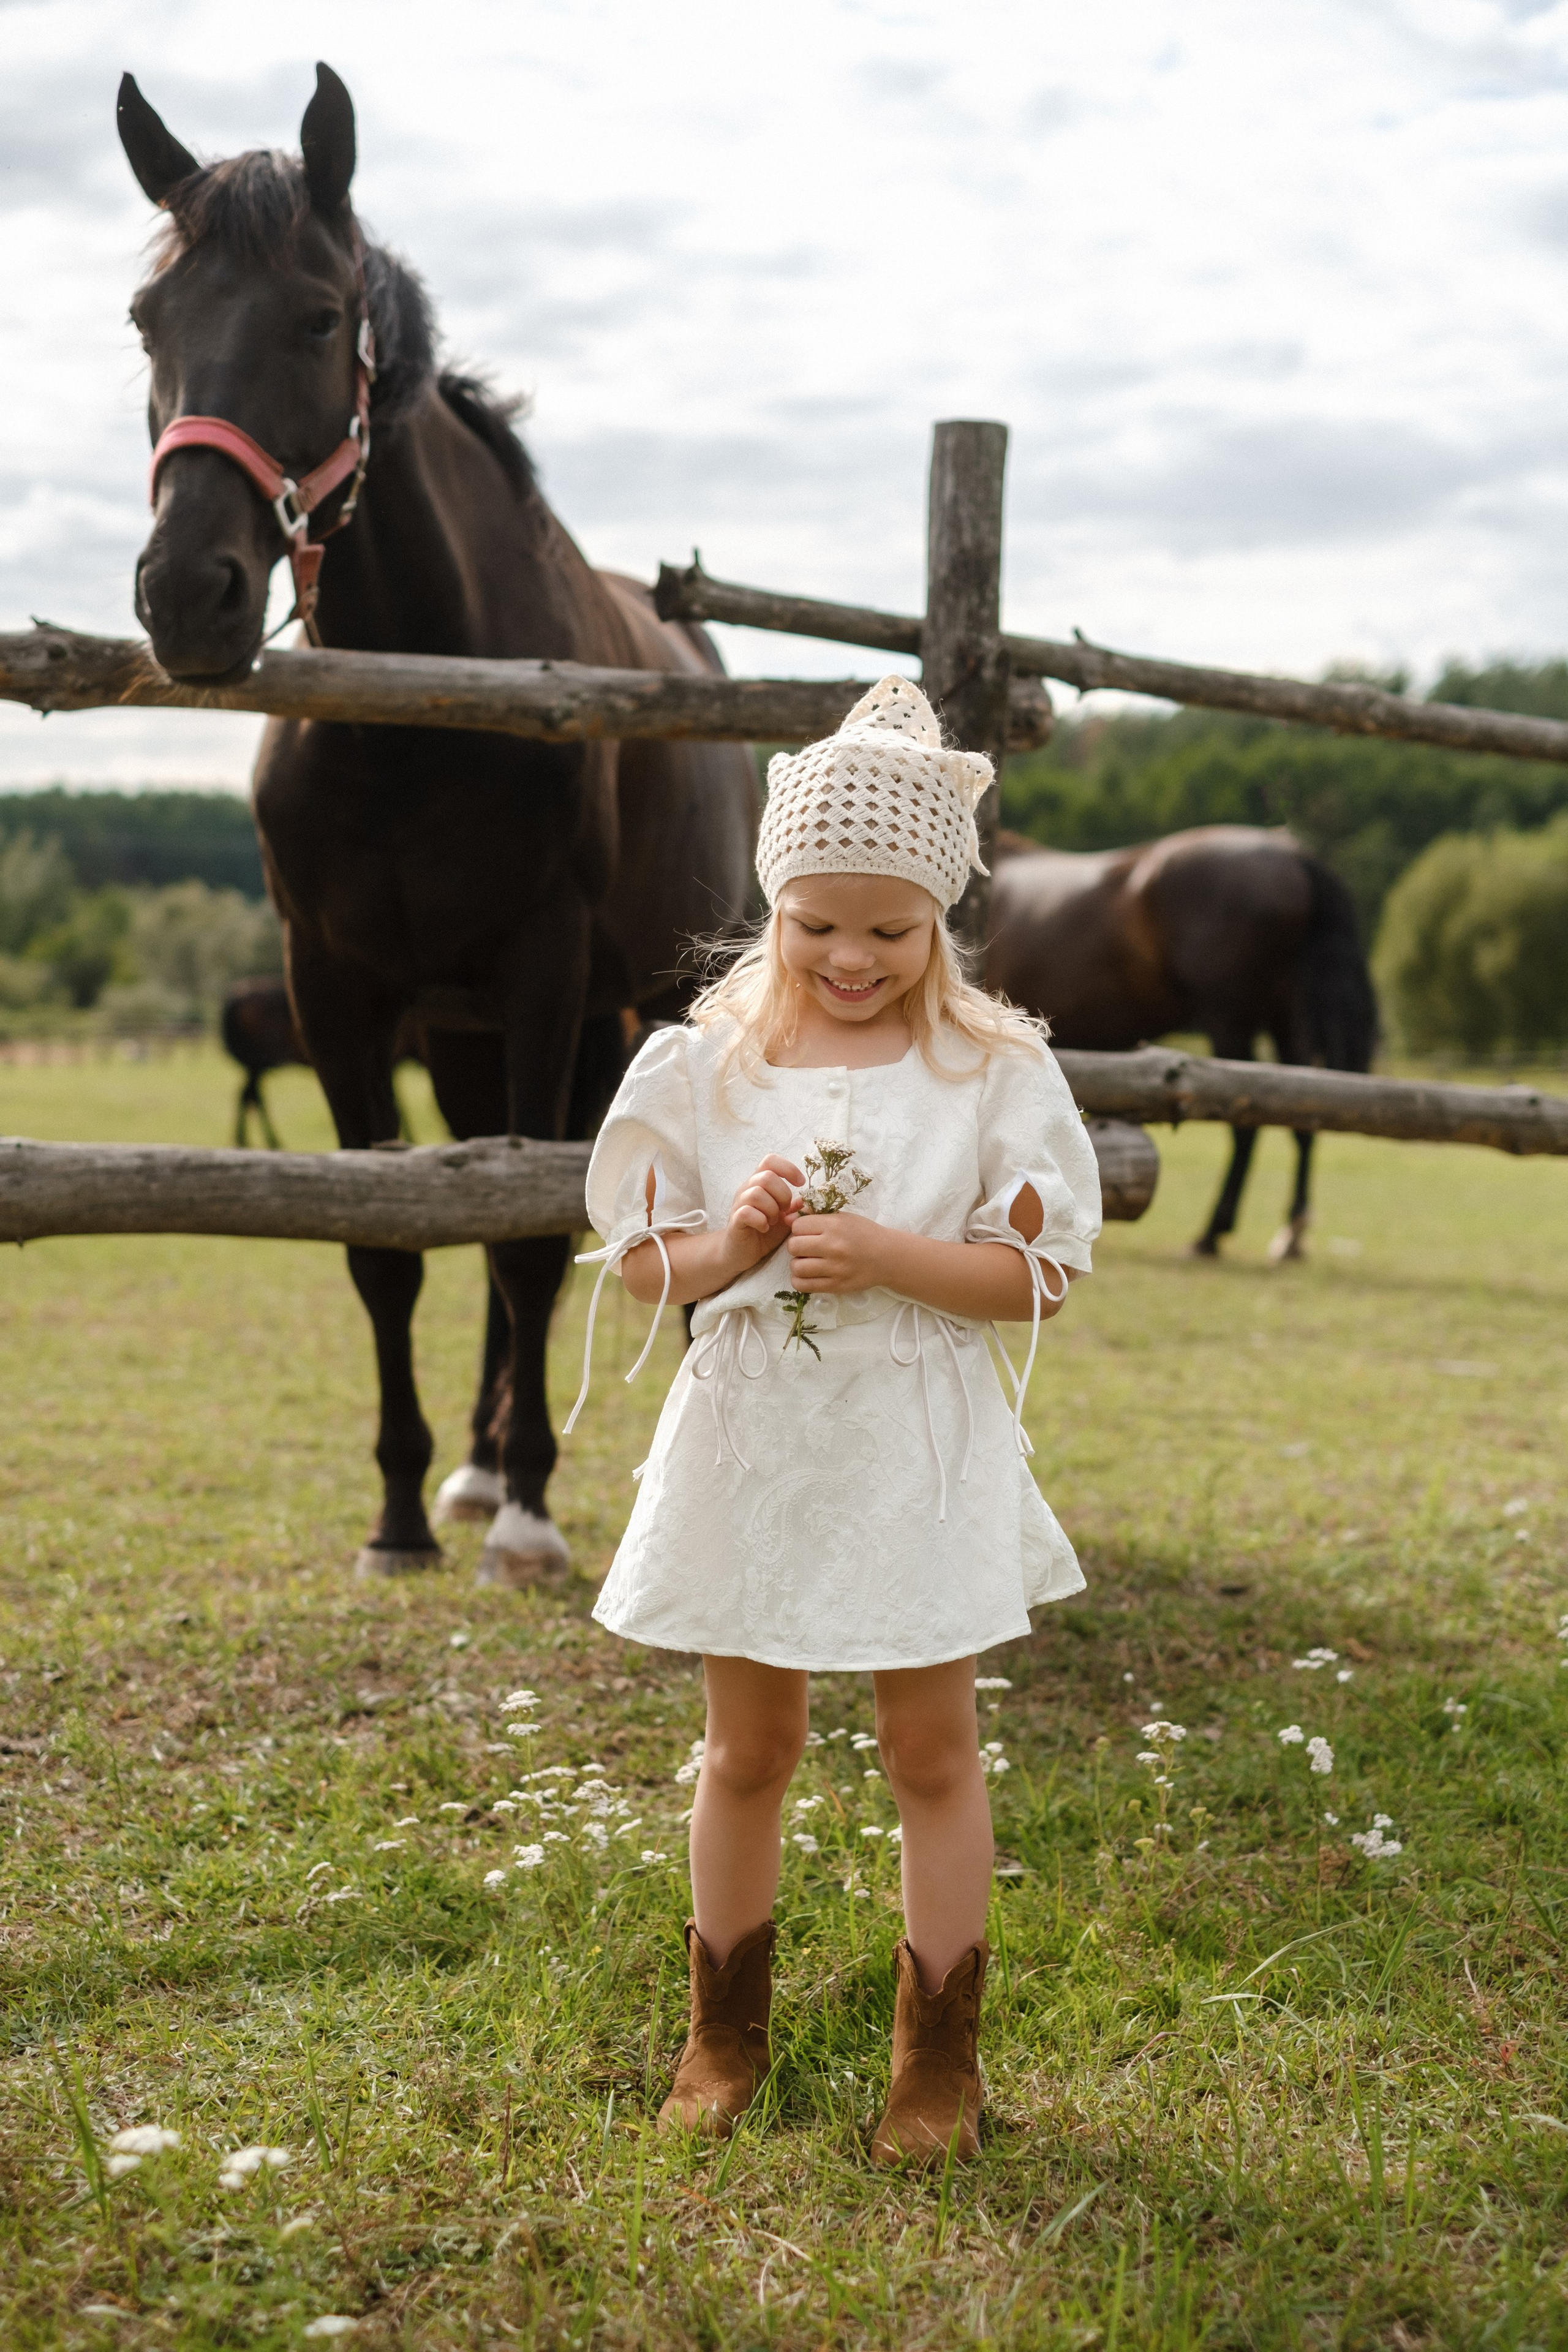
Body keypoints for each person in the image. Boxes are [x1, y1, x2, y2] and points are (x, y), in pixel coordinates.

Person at [566, 675, 1101, 2164]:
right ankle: (720, 2032)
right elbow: (641, 1271)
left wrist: (886, 1257)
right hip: (754, 1448)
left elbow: (1034, 1278)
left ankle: (937, 2065)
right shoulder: (703, 1065)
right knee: (747, 1749)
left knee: (930, 1750)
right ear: (771, 906)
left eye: (889, 928)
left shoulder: (989, 1071)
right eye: (817, 925)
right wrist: (730, 1248)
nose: (851, 957)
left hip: (910, 1453)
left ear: (940, 919)